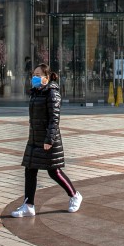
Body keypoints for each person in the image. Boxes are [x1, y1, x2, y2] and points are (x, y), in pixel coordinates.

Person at [11, 63, 82, 217]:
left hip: (48, 139)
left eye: (38, 75)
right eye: (33, 75)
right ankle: (28, 205)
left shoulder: (52, 93)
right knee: (29, 170)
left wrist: (49, 139)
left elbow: (54, 120)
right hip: (35, 138)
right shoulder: (36, 92)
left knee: (54, 171)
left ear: (47, 77)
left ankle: (75, 195)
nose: (35, 78)